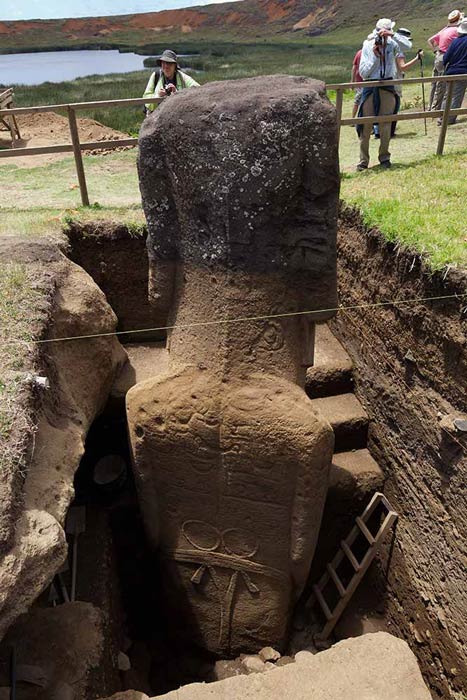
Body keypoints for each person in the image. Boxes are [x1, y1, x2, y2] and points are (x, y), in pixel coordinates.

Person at [357, 19, 401, 170]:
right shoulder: (367, 45)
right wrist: (376, 57)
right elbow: (363, 73)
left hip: (387, 84)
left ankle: (384, 157)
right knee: (366, 125)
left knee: (386, 123)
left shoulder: (393, 43)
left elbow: (408, 46)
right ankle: (363, 161)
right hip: (370, 85)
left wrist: (393, 35)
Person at [143, 49, 199, 113]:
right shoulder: (156, 76)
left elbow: (198, 90)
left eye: (169, 63)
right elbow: (146, 100)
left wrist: (177, 93)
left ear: (175, 66)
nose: (166, 66)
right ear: (161, 64)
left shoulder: (182, 77)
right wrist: (158, 96)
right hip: (156, 117)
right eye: (164, 63)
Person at [427, 10, 463, 111]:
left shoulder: (444, 30)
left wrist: (435, 51)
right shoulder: (457, 31)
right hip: (446, 58)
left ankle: (431, 107)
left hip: (439, 56)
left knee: (435, 83)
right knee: (442, 85)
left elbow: (430, 40)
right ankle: (437, 109)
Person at [440, 17, 467, 124]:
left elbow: (445, 58)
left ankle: (441, 117)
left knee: (448, 95)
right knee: (456, 96)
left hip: (451, 71)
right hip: (463, 72)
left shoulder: (455, 41)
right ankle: (449, 120)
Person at [351, 48, 364, 118]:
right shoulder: (361, 53)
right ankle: (353, 118)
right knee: (358, 101)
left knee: (357, 101)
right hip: (361, 81)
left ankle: (354, 118)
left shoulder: (359, 52)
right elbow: (354, 67)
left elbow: (354, 67)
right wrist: (352, 81)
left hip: (359, 81)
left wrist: (352, 81)